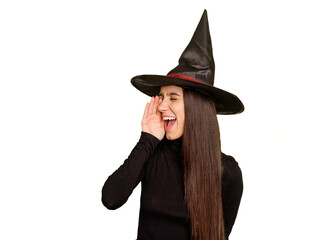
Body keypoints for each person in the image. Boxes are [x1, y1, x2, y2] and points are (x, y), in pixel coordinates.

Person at [102, 10, 244, 240]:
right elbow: (110, 198)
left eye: (173, 98)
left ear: (196, 109)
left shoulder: (227, 173)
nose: (161, 106)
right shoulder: (151, 154)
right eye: (161, 97)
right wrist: (147, 139)